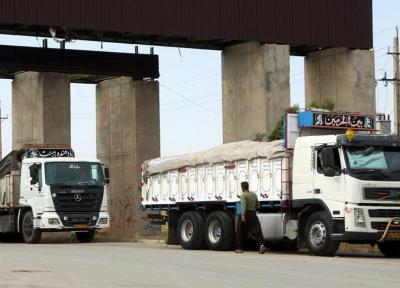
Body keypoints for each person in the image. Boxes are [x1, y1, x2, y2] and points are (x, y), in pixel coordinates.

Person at [235, 181, 266, 254]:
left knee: (240, 231)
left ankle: (240, 248)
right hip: (253, 214)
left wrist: (242, 215)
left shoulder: (243, 195)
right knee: (257, 230)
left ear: (242, 188)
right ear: (248, 186)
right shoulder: (254, 194)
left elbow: (244, 205)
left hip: (245, 214)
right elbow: (257, 206)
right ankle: (261, 245)